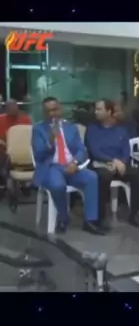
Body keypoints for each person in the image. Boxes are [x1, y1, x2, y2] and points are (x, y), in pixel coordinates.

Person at [32, 96, 104, 234]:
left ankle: (90, 221)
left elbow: (81, 150)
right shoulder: (38, 129)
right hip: (51, 167)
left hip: (71, 166)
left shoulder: (71, 127)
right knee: (57, 186)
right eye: (48, 111)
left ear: (60, 109)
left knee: (92, 177)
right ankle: (64, 217)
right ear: (44, 113)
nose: (52, 114)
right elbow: (38, 155)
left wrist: (75, 162)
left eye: (54, 110)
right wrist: (50, 141)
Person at [85, 99, 139, 228]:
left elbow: (126, 150)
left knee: (138, 175)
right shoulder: (92, 129)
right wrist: (112, 161)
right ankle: (100, 218)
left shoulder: (121, 130)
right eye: (96, 109)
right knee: (103, 176)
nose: (95, 112)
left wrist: (121, 162)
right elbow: (94, 151)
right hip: (99, 164)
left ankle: (135, 214)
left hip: (119, 164)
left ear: (109, 112)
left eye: (99, 109)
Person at [0, 100, 32, 188]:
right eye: (10, 108)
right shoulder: (1, 119)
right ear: (6, 109)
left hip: (22, 148)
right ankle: (4, 182)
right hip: (3, 148)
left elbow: (29, 137)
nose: (13, 109)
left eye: (14, 107)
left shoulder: (25, 119)